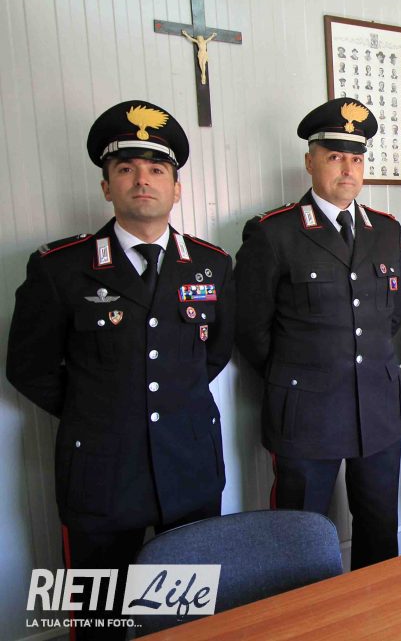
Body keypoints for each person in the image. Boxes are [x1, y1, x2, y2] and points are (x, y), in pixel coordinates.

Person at [6, 100, 234, 639]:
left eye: (156, 169)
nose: (142, 180)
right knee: (100, 616)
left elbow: (216, 352)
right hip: (102, 470)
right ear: (106, 187)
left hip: (188, 463)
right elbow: (29, 366)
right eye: (126, 169)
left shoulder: (211, 264)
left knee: (186, 612)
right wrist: (98, 410)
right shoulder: (61, 268)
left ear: (177, 188)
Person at [234, 98, 401, 569]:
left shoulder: (386, 231)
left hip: (377, 410)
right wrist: (299, 377)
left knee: (379, 533)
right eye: (335, 157)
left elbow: (392, 317)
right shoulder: (273, 233)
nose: (348, 170)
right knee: (300, 541)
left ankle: (374, 609)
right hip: (306, 414)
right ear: (310, 162)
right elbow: (250, 329)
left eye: (356, 159)